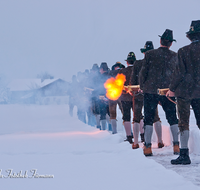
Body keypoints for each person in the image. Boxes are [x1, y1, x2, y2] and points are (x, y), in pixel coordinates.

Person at [139, 29, 179, 156]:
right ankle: (177, 145)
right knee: (172, 117)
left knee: (149, 118)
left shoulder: (150, 54)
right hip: (168, 90)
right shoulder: (175, 55)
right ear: (171, 43)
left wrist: (141, 86)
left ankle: (148, 147)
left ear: (160, 41)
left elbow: (142, 73)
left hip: (150, 90)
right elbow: (177, 74)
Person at [167, 20, 200, 165]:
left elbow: (179, 73)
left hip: (185, 92)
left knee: (183, 122)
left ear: (190, 36)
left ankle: (184, 155)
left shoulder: (183, 51)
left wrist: (172, 89)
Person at [131, 41, 163, 149]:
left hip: (139, 94)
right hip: (152, 93)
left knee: (136, 117)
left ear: (144, 52)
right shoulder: (157, 64)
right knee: (155, 117)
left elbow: (133, 80)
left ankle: (135, 143)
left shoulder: (138, 63)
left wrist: (136, 88)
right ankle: (160, 141)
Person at [119, 52, 136, 143]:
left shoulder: (122, 71)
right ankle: (142, 136)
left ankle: (129, 136)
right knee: (138, 116)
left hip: (125, 97)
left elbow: (119, 85)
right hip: (136, 97)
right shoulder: (138, 70)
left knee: (126, 117)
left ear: (127, 62)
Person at [92, 62, 111, 130]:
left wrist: (94, 93)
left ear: (102, 69)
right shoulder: (110, 75)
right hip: (110, 96)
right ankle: (110, 128)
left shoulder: (99, 77)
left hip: (101, 97)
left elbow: (97, 88)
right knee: (109, 113)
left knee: (103, 114)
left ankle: (103, 129)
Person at [108, 62, 125, 134]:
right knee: (124, 113)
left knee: (113, 114)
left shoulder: (111, 73)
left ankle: (115, 131)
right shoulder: (123, 73)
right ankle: (128, 132)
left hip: (113, 94)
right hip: (120, 95)